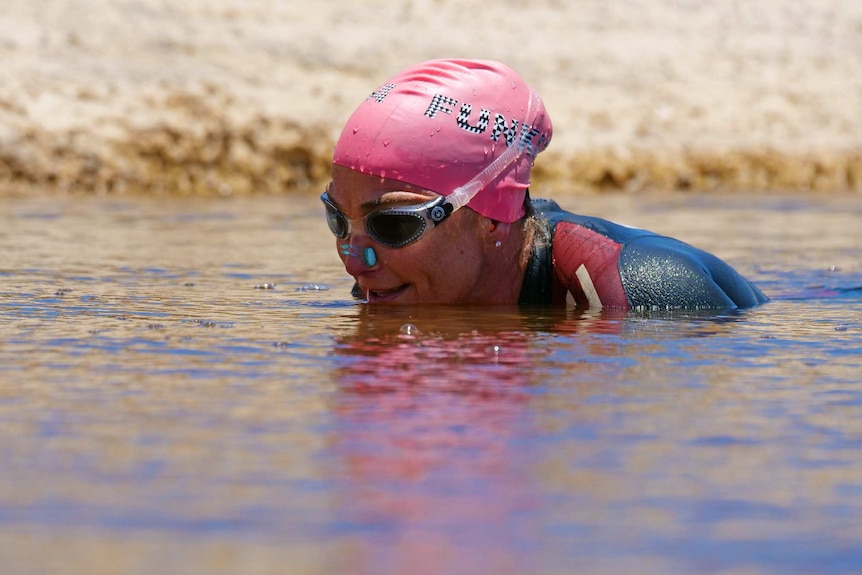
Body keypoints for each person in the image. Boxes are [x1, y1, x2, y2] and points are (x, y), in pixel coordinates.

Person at [322, 59, 768, 309]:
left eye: (395, 225)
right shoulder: (392, 280)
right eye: (338, 220)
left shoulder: (643, 288)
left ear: (491, 220)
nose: (355, 262)